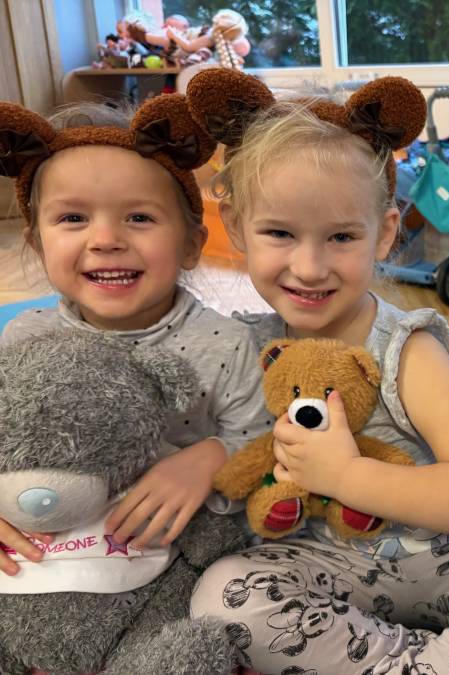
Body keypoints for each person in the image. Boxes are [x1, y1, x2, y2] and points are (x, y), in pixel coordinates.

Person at [185, 68, 449, 674]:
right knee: (221, 594)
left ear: (384, 234)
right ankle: (428, 663)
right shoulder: (243, 345)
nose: (309, 267)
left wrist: (347, 475)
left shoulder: (405, 348)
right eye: (279, 232)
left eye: (341, 237)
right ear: (234, 227)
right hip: (329, 570)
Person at [0, 95, 271, 585]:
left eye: (139, 218)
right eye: (73, 218)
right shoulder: (25, 338)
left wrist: (213, 456)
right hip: (52, 557)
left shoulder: (227, 344)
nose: (105, 239)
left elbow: (268, 445)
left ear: (191, 245)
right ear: (38, 245)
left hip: (175, 559)